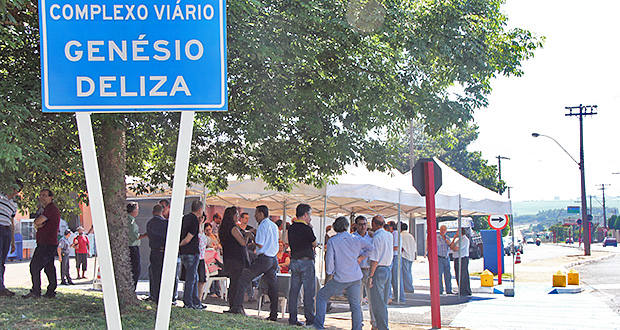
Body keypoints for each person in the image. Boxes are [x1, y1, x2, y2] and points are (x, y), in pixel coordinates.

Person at [314, 217, 374, 330]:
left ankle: (318, 325)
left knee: (321, 296)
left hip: (341, 276)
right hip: (355, 275)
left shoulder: (333, 240)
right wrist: (361, 257)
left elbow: (330, 260)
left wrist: (330, 274)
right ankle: (357, 328)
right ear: (347, 226)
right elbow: (371, 247)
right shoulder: (355, 238)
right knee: (355, 305)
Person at [235, 205, 279, 321]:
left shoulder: (262, 226)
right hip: (273, 258)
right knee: (272, 287)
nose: (254, 216)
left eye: (256, 213)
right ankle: (274, 314)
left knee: (243, 279)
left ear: (261, 214)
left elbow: (260, 243)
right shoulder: (273, 225)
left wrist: (251, 236)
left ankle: (237, 307)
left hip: (264, 258)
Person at [23, 189, 61, 299]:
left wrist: (37, 224)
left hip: (46, 243)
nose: (42, 197)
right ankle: (50, 292)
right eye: (40, 195)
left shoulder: (51, 209)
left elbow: (37, 222)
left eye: (45, 195)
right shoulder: (47, 210)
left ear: (51, 197)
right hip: (48, 242)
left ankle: (36, 291)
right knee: (49, 267)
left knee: (35, 266)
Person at [287, 203, 317, 326]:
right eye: (309, 215)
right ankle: (310, 318)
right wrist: (310, 227)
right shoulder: (307, 228)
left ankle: (292, 318)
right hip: (306, 261)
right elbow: (314, 243)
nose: (310, 217)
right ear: (305, 214)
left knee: (294, 291)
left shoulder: (291, 228)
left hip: (294, 260)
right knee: (308, 291)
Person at [220, 206, 248, 314]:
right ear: (232, 216)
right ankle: (236, 306)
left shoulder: (223, 229)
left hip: (228, 258)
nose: (238, 216)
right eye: (236, 214)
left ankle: (233, 305)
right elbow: (242, 242)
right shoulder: (234, 228)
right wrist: (247, 236)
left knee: (233, 283)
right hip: (236, 259)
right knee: (236, 283)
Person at [179, 200, 206, 309]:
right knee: (191, 278)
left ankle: (196, 301)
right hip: (191, 252)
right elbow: (188, 238)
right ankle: (188, 302)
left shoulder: (185, 218)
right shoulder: (194, 220)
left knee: (194, 276)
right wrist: (180, 244)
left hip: (184, 253)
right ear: (200, 209)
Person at [368, 215, 392, 330]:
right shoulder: (389, 235)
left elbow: (375, 259)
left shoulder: (376, 238)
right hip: (387, 268)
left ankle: (381, 327)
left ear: (373, 224)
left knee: (378, 303)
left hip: (378, 269)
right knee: (384, 301)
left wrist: (371, 276)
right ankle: (383, 325)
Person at [352, 215, 375, 327]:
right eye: (360, 224)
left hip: (368, 269)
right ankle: (359, 321)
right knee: (357, 298)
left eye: (364, 224)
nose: (363, 226)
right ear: (356, 225)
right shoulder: (352, 237)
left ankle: (374, 322)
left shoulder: (371, 237)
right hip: (357, 270)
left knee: (371, 298)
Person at [0, 180, 22, 297]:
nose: (15, 191)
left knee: (3, 260)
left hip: (7, 230)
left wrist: (13, 242)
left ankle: (1, 287)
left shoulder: (14, 205)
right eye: (14, 188)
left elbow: (12, 222)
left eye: (18, 190)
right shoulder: (1, 196)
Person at [147, 204, 168, 302]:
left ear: (153, 212)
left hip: (154, 250)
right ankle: (164, 296)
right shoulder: (166, 223)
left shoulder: (150, 223)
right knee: (164, 275)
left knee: (154, 275)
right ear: (162, 212)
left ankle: (154, 295)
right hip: (164, 250)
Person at [126, 201, 143, 289]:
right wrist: (145, 235)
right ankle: (132, 289)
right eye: (137, 209)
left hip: (133, 247)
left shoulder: (130, 219)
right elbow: (134, 236)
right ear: (133, 211)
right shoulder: (130, 221)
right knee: (136, 269)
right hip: (132, 247)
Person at [451, 227, 472, 296]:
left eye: (457, 232)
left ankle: (465, 290)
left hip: (462, 258)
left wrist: (454, 248)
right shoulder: (458, 240)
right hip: (457, 258)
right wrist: (454, 239)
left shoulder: (464, 240)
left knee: (463, 275)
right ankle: (460, 289)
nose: (456, 233)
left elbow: (456, 249)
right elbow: (452, 247)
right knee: (458, 274)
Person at [400, 223, 416, 293]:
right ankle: (409, 286)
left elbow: (401, 247)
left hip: (404, 256)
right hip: (411, 256)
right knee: (409, 272)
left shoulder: (401, 235)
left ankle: (409, 288)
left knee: (405, 273)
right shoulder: (411, 236)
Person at [436, 225, 453, 295]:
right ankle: (440, 290)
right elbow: (439, 245)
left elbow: (451, 247)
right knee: (439, 274)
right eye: (442, 230)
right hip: (439, 257)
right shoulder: (437, 238)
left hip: (446, 258)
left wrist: (449, 243)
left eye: (444, 230)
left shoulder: (448, 238)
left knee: (448, 274)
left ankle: (449, 290)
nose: (443, 231)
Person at [197, 213, 209, 302]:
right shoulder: (197, 229)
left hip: (201, 257)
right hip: (197, 257)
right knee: (199, 279)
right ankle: (197, 299)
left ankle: (199, 299)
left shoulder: (202, 230)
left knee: (202, 280)